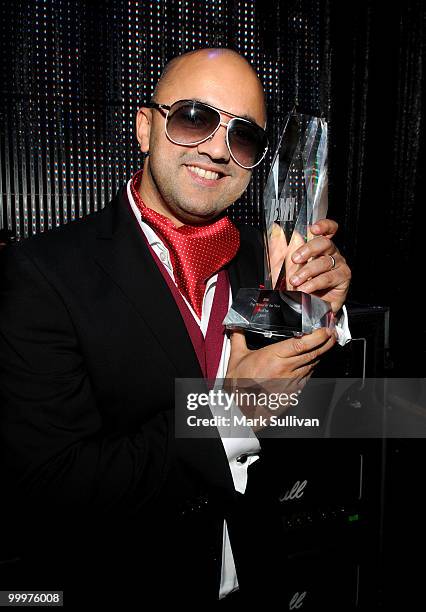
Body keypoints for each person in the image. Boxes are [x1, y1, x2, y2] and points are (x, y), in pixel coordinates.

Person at [0, 48, 351, 607]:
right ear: (145, 128)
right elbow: (50, 489)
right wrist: (227, 412)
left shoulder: (264, 262)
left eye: (244, 137)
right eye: (194, 117)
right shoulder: (45, 274)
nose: (217, 149)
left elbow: (306, 418)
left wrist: (323, 310)